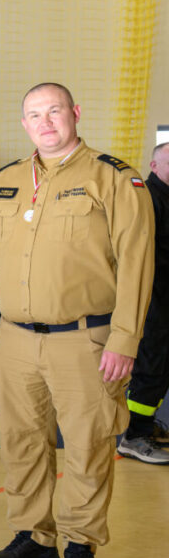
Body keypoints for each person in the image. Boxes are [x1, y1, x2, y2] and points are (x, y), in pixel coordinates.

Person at [0, 83, 154, 558]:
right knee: (21, 441)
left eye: (55, 111)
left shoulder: (112, 178)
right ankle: (34, 535)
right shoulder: (7, 183)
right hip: (17, 342)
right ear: (24, 124)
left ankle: (80, 544)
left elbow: (137, 263)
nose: (45, 122)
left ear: (75, 114)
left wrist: (125, 338)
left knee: (87, 444)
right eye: (34, 115)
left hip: (86, 341)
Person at [117, 142, 169, 464]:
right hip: (154, 300)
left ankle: (145, 426)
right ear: (154, 165)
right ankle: (134, 435)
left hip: (165, 298)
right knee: (152, 366)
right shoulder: (149, 199)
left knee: (162, 367)